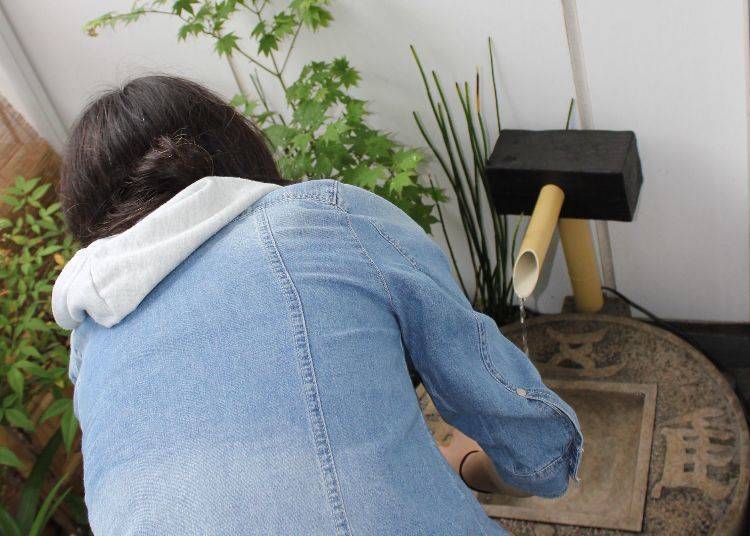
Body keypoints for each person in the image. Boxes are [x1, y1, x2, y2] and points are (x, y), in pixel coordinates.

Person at [51, 75, 582, 535]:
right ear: (233, 147)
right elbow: (527, 435)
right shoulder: (317, 219)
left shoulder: (90, 344)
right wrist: (487, 466)